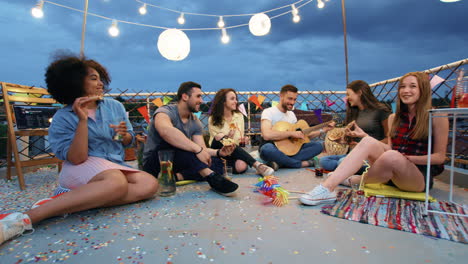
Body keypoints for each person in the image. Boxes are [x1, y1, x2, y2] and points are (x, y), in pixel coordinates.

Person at [0, 55, 159, 245]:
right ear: (75, 82)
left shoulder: (115, 106)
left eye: (101, 78)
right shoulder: (63, 117)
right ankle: (25, 218)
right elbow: (77, 158)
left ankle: (66, 202)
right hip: (81, 167)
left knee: (149, 184)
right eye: (93, 78)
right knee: (116, 182)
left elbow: (127, 141)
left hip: (114, 165)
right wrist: (82, 120)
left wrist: (124, 136)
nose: (100, 83)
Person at [300, 72, 448, 206]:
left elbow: (439, 157)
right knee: (369, 142)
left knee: (391, 155)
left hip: (418, 178)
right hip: (392, 168)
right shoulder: (393, 118)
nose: (406, 90)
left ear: (423, 89)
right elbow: (390, 149)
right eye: (402, 86)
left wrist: (406, 158)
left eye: (412, 86)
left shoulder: (437, 117)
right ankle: (327, 188)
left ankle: (354, 180)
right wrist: (363, 137)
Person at [142, 82, 238, 195]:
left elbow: (202, 150)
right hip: (156, 162)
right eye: (198, 96)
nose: (201, 101)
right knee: (175, 143)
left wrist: (218, 152)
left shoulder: (195, 121)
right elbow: (165, 131)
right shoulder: (165, 112)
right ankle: (211, 177)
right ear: (185, 97)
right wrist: (196, 149)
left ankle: (177, 177)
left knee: (217, 163)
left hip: (177, 162)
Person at [319, 80, 391, 177]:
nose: (347, 98)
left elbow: (389, 139)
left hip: (372, 155)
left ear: (359, 93)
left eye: (349, 94)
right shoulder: (354, 112)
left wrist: (367, 146)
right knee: (324, 161)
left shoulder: (380, 110)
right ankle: (349, 169)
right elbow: (353, 140)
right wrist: (345, 140)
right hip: (355, 153)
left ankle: (347, 169)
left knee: (341, 162)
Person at [259, 84, 335, 170]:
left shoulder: (291, 115)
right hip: (274, 147)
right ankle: (301, 164)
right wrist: (291, 133)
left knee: (318, 146)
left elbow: (303, 135)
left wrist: (324, 130)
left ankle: (280, 163)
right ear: (281, 96)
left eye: (295, 99)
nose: (292, 102)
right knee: (266, 149)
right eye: (290, 98)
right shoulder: (268, 112)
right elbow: (266, 135)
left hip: (292, 150)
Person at [208, 88, 274, 176]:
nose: (235, 101)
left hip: (233, 152)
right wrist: (228, 137)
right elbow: (216, 140)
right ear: (223, 102)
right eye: (232, 99)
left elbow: (239, 140)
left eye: (236, 99)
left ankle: (222, 168)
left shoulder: (239, 116)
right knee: (220, 136)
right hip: (218, 151)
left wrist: (244, 139)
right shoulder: (213, 119)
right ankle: (258, 165)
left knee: (241, 166)